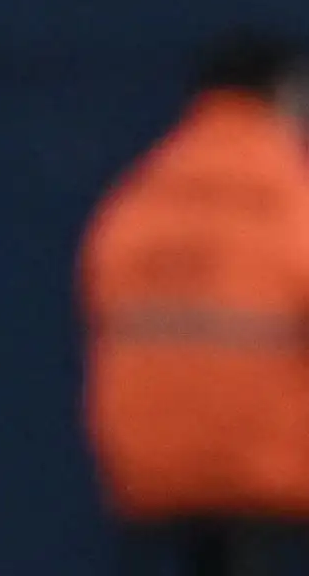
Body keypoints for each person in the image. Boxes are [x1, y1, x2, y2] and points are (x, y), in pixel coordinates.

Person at [79, 30, 309, 576]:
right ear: (283, 95)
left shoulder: (136, 200)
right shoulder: (291, 199)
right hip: (274, 478)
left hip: (151, 475)